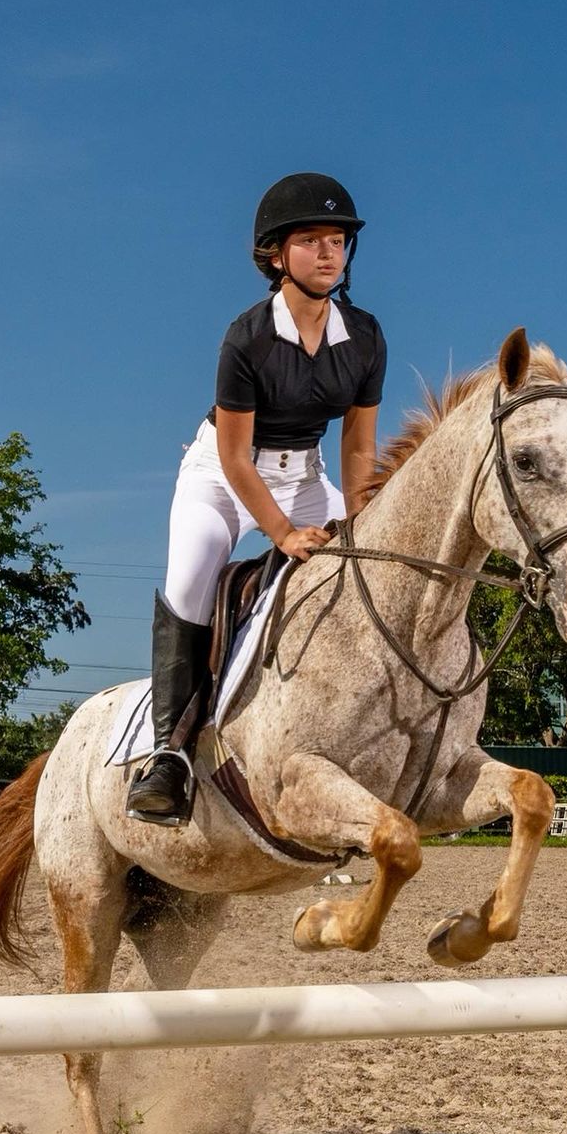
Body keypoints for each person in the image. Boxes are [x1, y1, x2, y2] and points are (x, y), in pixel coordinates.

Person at [127, 172, 387, 825]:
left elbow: (359, 448)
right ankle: (169, 756)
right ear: (275, 255)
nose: (328, 253)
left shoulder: (364, 336)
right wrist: (282, 533)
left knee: (373, 571)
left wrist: (361, 520)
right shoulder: (246, 338)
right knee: (190, 582)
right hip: (222, 476)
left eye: (338, 241)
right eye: (311, 240)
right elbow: (236, 459)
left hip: (306, 478)